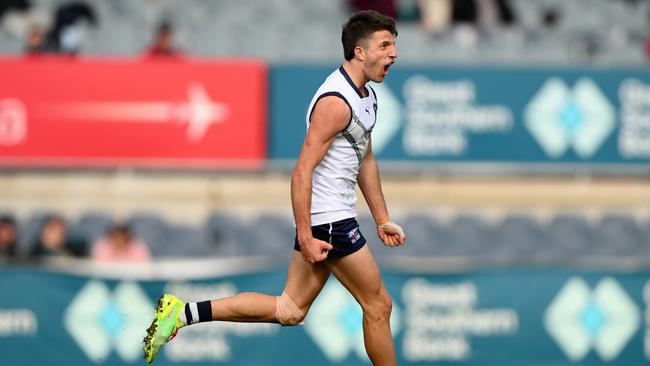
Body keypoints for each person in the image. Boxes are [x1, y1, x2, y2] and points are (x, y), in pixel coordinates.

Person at [142, 10, 405, 366]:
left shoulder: (367, 97)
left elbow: (365, 159)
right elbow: (301, 172)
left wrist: (382, 217)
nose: (393, 54)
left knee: (290, 309)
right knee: (378, 305)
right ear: (359, 52)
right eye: (385, 45)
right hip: (330, 221)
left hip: (328, 219)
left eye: (394, 45)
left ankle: (182, 313)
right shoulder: (335, 103)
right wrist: (307, 234)